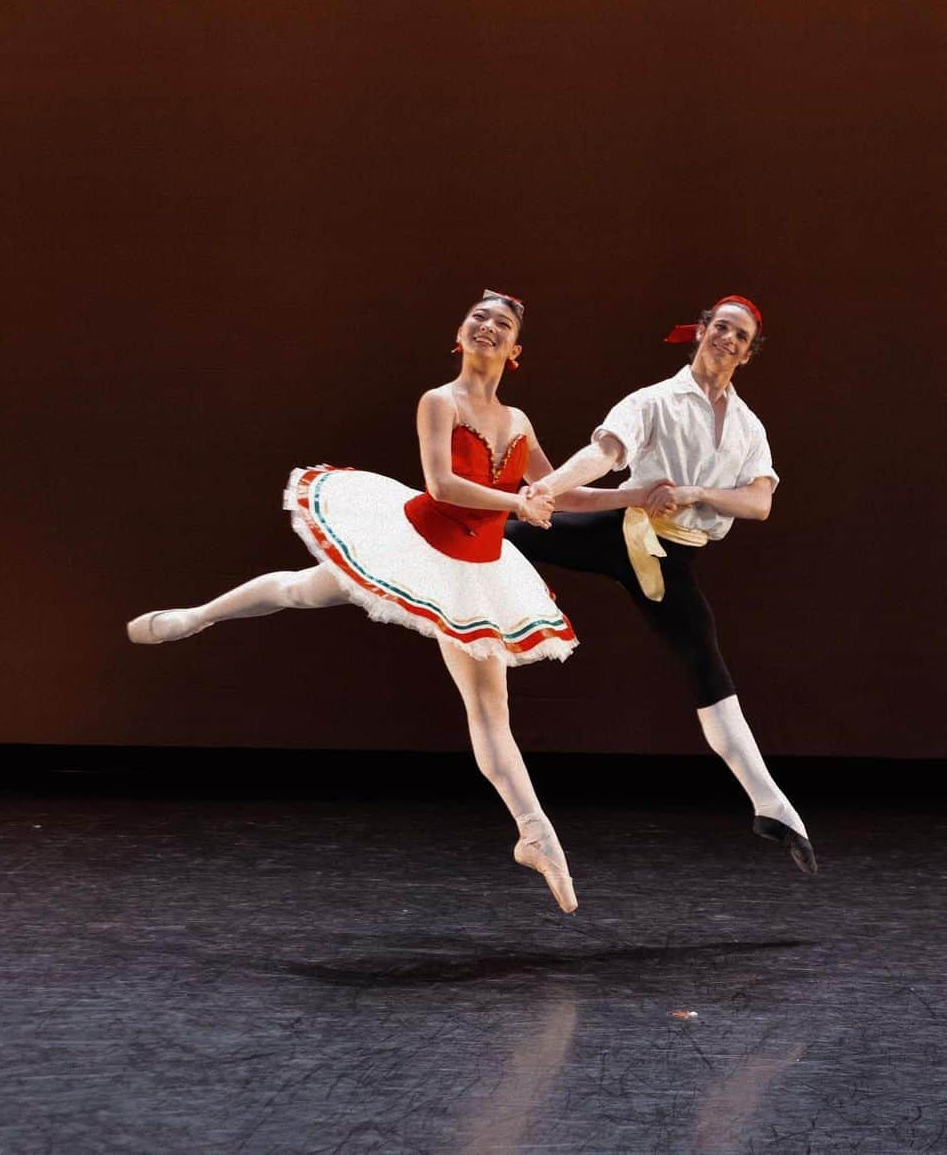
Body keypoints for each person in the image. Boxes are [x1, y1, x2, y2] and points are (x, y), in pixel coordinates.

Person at [127, 291, 588, 912]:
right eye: (478, 318)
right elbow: (443, 484)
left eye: (502, 324)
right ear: (460, 333)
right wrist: (519, 505)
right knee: (300, 589)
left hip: (475, 572)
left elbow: (560, 491)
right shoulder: (438, 401)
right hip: (413, 543)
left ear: (515, 351)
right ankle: (197, 616)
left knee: (490, 713)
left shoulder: (521, 421)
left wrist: (642, 496)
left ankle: (536, 835)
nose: (488, 327)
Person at [505, 295, 817, 874]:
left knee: (705, 660)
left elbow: (760, 501)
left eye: (739, 337)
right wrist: (547, 491)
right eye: (720, 328)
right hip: (625, 529)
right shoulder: (654, 401)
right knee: (509, 534)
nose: (727, 339)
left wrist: (698, 493)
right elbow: (603, 455)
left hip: (670, 555)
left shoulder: (749, 427)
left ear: (748, 354)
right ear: (700, 333)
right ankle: (420, 548)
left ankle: (773, 807)